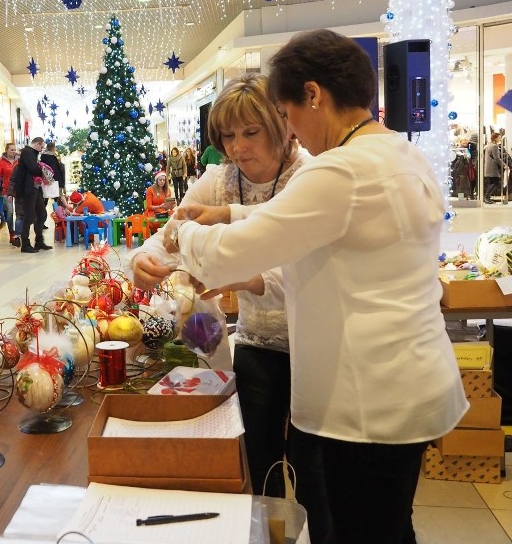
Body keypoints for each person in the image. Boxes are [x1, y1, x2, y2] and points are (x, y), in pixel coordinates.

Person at [158, 29, 467, 544]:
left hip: (371, 397)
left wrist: (182, 232)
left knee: (361, 529)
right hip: (412, 380)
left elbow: (235, 250)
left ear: (313, 95)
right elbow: (319, 224)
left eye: (286, 112)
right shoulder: (398, 154)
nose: (292, 130)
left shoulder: (342, 171)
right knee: (388, 523)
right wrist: (230, 210)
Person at [131, 73, 309, 501]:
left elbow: (311, 269)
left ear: (284, 125)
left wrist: (247, 277)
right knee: (258, 457)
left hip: (313, 341)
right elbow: (171, 234)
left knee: (310, 466)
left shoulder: (309, 177)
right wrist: (143, 260)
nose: (237, 147)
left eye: (251, 132)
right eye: (228, 135)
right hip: (257, 338)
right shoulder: (220, 179)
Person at [11, 137, 50, 253]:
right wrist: (42, 169)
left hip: (34, 188)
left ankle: (39, 241)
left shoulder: (31, 153)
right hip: (27, 189)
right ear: (37, 144)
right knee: (29, 216)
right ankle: (25, 244)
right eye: (42, 147)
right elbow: (33, 169)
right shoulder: (27, 152)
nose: (42, 149)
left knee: (42, 213)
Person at [0, 143, 19, 246]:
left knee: (19, 213)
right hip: (7, 191)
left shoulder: (19, 160)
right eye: (11, 150)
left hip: (19, 190)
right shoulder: (1, 163)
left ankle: (18, 234)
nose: (13, 151)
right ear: (6, 150)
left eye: (14, 149)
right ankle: (12, 233)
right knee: (10, 213)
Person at [483, 131, 508, 204]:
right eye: (499, 137)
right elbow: (497, 158)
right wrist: (504, 165)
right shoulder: (495, 146)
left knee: (492, 183)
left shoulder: (488, 146)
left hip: (488, 167)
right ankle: (486, 197)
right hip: (493, 167)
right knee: (495, 183)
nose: (500, 139)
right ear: (495, 138)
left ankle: (487, 197)